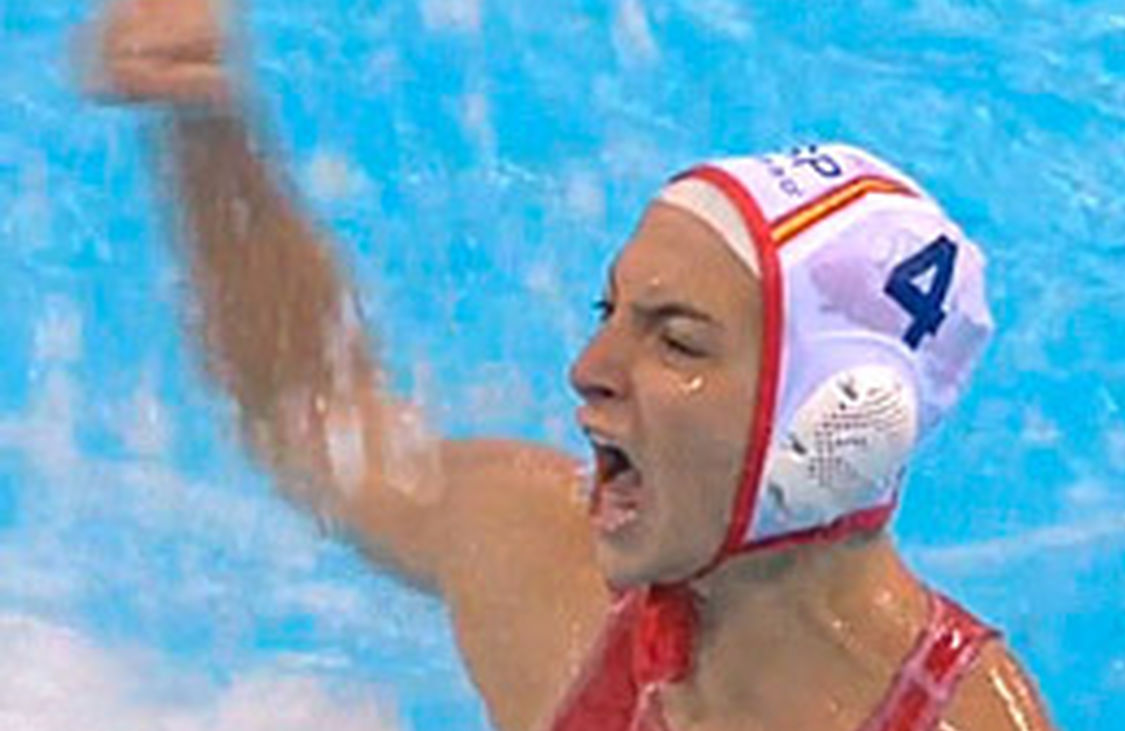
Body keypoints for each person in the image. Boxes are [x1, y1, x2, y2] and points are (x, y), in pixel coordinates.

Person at [89, 1, 1055, 729]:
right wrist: (204, 122)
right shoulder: (547, 573)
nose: (589, 368)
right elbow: (312, 417)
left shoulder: (959, 718)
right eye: (611, 312)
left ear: (835, 432)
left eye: (674, 338)